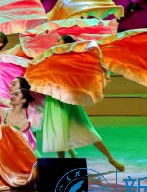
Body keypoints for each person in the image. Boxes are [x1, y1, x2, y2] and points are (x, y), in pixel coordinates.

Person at [41, 35, 125, 171]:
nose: (56, 42)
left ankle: (111, 159)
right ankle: (62, 165)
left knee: (84, 128)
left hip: (67, 98)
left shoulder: (73, 59)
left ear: (66, 44)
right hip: (54, 98)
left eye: (59, 40)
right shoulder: (50, 58)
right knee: (58, 132)